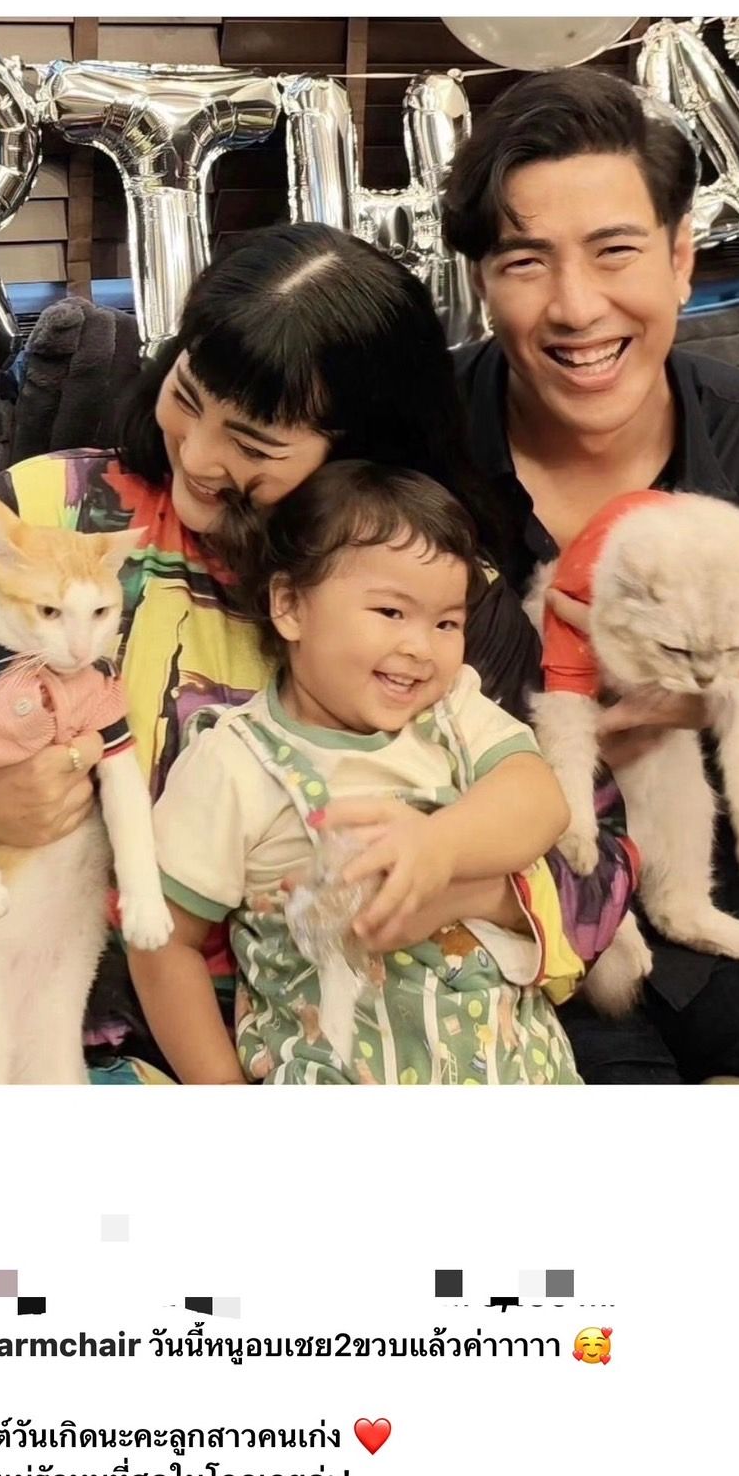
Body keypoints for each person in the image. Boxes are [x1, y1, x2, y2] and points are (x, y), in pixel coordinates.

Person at [0, 223, 635, 1084]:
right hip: (73, 1030)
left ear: (355, 449)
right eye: (187, 395)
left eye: (254, 444)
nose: (198, 457)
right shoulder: (50, 514)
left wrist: (453, 881)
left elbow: (597, 856)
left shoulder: (434, 603)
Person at [442, 65, 739, 1084]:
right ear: (482, 282)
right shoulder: (408, 450)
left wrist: (719, 679)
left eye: (615, 251)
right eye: (525, 261)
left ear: (679, 260)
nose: (577, 307)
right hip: (512, 936)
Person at [131, 459, 583, 1086]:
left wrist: (441, 845)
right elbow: (163, 942)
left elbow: (540, 799)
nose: (420, 647)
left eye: (447, 623)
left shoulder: (454, 713)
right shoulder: (233, 761)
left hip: (520, 1070)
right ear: (290, 606)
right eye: (391, 613)